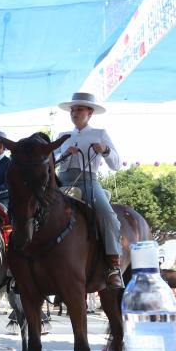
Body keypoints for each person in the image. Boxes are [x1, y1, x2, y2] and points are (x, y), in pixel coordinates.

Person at [55, 92, 123, 289]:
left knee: (108, 216)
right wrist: (62, 153)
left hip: (88, 182)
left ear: (90, 112)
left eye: (79, 109)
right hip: (62, 183)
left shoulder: (100, 133)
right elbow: (49, 160)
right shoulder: (62, 137)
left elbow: (116, 164)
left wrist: (106, 150)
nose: (74, 113)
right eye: (72, 110)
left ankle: (112, 265)